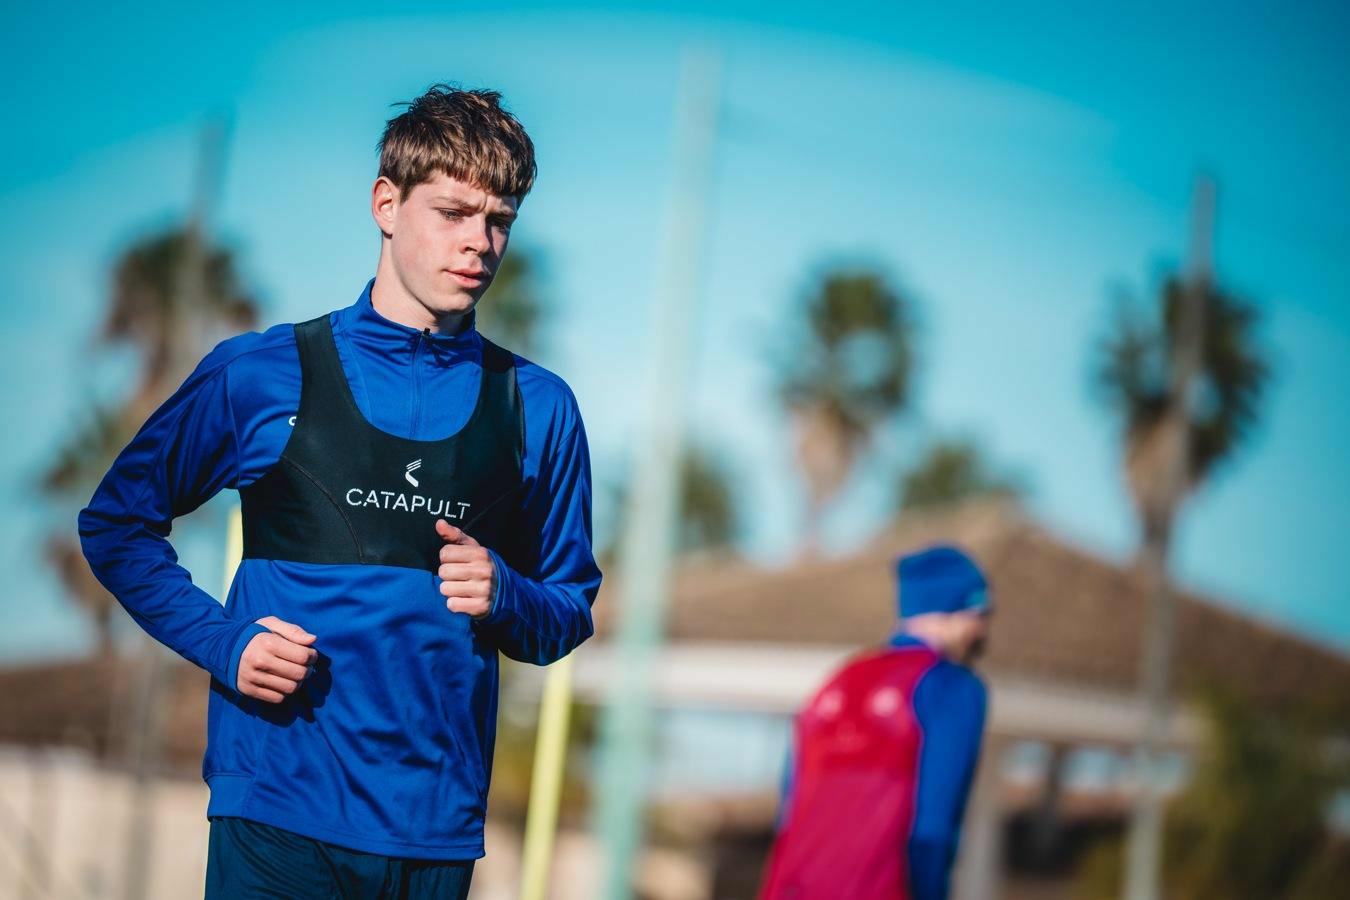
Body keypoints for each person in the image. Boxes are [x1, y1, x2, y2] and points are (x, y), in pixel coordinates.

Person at [78, 84, 602, 899]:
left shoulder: (538, 407)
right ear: (386, 204)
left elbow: (568, 607)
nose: (480, 243)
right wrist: (225, 643)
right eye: (454, 213)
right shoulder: (261, 373)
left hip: (434, 830)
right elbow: (116, 527)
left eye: (499, 221)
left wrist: (506, 594)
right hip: (277, 810)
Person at [758, 545, 990, 900]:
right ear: (959, 612)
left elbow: (788, 813)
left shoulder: (836, 683)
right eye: (982, 614)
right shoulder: (951, 688)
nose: (984, 630)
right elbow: (932, 829)